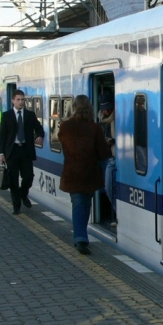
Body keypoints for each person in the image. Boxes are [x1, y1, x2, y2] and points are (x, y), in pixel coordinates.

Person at [59, 94, 111, 255]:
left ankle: (80, 237)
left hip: (72, 173)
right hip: (89, 173)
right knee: (85, 204)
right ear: (90, 108)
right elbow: (102, 154)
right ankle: (81, 237)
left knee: (77, 204)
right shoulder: (94, 128)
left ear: (74, 107)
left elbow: (63, 144)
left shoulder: (65, 127)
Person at [0, 89, 45, 215]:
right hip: (12, 152)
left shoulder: (30, 115)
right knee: (13, 180)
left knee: (29, 176)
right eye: (18, 100)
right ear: (13, 100)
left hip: (25, 150)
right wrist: (1, 153)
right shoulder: (6, 115)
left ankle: (23, 194)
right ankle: (16, 206)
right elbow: (2, 136)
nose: (21, 102)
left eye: (22, 99)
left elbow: (39, 128)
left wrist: (40, 136)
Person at [97, 92, 116, 225]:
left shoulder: (118, 118)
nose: (106, 111)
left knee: (109, 188)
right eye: (104, 108)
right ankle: (115, 212)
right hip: (104, 156)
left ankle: (116, 214)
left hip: (114, 157)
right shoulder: (100, 120)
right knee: (106, 187)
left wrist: (113, 141)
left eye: (109, 108)